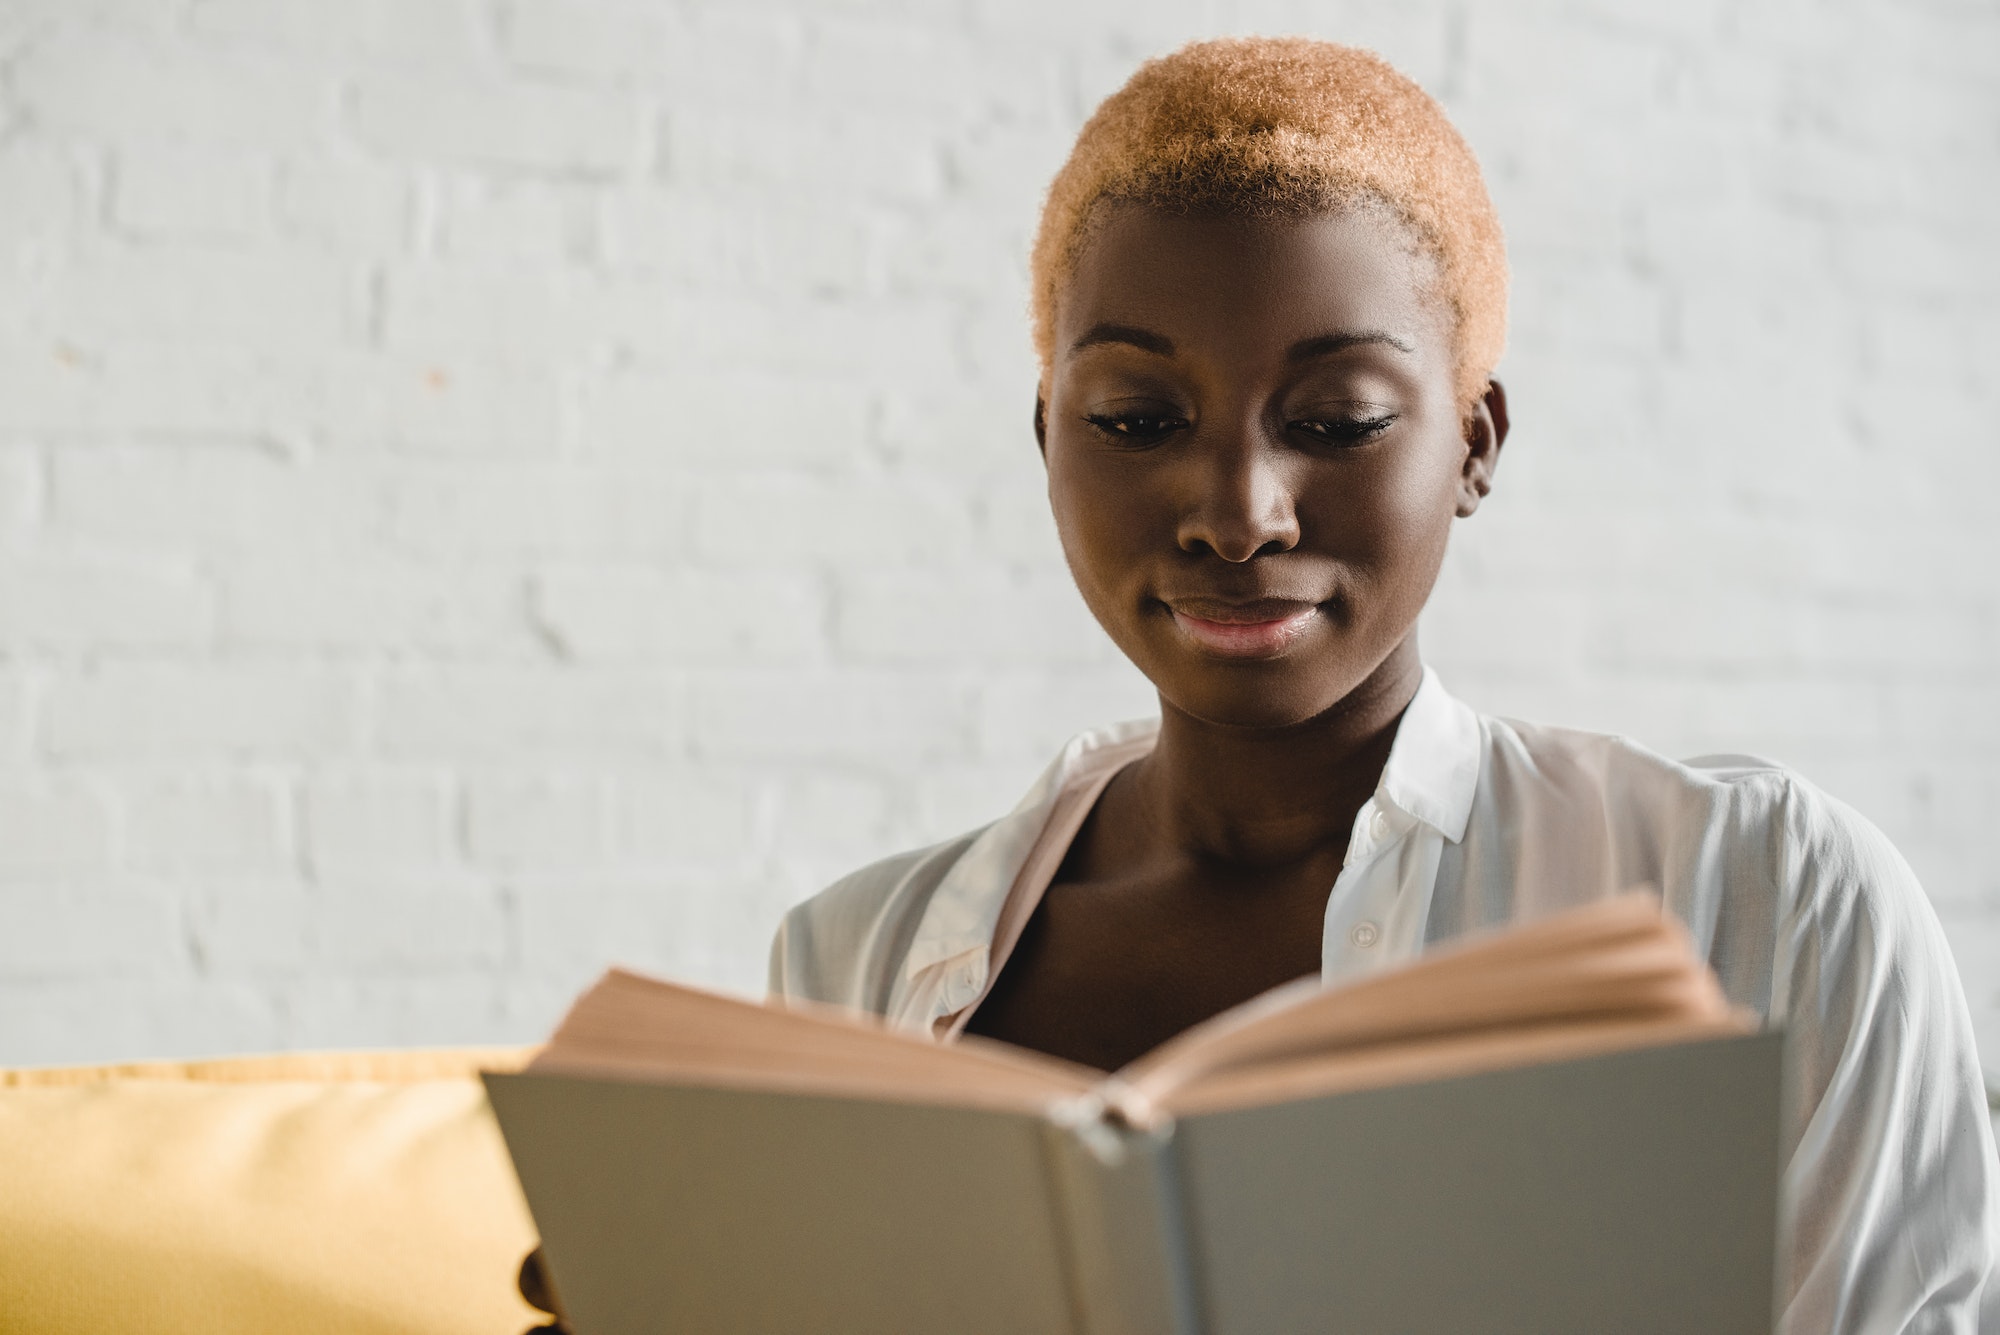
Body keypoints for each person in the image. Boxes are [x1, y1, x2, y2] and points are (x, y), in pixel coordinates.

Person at [523, 34, 1996, 1334]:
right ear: (1051, 437)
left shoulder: (1766, 898)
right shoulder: (855, 965)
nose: (1239, 510)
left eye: (1339, 420)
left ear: (1475, 444)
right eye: (1139, 414)